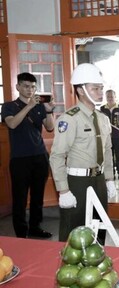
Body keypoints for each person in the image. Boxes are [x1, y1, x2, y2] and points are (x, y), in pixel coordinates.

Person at [49, 63, 116, 244]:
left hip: (99, 179)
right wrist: (63, 190)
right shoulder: (70, 119)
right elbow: (57, 156)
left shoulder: (102, 118)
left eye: (101, 88)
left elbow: (108, 151)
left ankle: (96, 266)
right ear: (80, 90)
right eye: (95, 88)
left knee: (99, 227)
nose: (100, 92)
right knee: (74, 230)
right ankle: (69, 270)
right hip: (78, 182)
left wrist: (109, 179)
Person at [1, 72, 55, 239]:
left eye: (32, 86)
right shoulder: (9, 106)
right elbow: (12, 123)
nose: (30, 89)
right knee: (20, 198)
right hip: (19, 159)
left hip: (39, 156)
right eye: (26, 86)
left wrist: (48, 111)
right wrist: (29, 106)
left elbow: (50, 127)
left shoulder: (39, 106)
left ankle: (35, 227)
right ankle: (21, 233)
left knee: (37, 196)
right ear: (18, 87)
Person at [100, 90, 119, 181]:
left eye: (112, 96)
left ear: (115, 97)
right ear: (106, 97)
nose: (110, 98)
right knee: (108, 156)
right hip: (107, 137)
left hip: (118, 136)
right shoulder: (102, 109)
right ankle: (110, 174)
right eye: (108, 97)